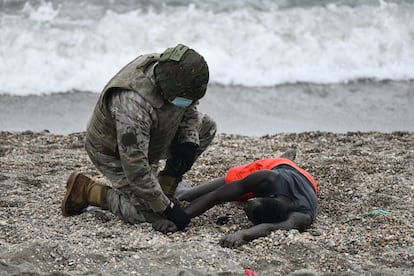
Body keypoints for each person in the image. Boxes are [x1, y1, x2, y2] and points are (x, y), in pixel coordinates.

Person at [61, 44, 216, 232]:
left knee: (206, 128)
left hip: (152, 135)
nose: (190, 102)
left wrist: (188, 141)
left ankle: (165, 187)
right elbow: (135, 166)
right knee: (146, 215)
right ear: (170, 91)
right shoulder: (132, 104)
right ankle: (88, 190)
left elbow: (189, 107)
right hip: (114, 151)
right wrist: (167, 208)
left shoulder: (173, 74)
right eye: (184, 97)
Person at [153, 149, 318, 248]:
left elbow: (271, 228)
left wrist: (243, 235)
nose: (246, 204)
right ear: (268, 195)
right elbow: (216, 196)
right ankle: (186, 192)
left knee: (239, 193)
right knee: (232, 180)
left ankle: (290, 160)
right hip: (278, 166)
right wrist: (180, 218)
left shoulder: (302, 215)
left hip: (309, 182)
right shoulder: (267, 178)